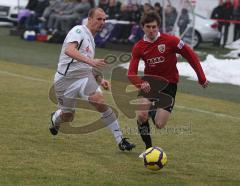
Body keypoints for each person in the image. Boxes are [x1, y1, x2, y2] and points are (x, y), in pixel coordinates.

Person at [49, 7, 135, 151]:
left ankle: (121, 140)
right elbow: (69, 50)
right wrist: (91, 62)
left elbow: (86, 65)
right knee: (68, 116)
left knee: (100, 102)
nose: (102, 22)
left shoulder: (92, 40)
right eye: (99, 19)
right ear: (89, 19)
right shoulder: (78, 31)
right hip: (65, 81)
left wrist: (100, 80)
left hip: (84, 78)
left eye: (104, 19)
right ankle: (56, 117)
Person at [127, 11, 209, 153]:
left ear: (158, 26)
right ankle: (149, 149)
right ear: (143, 27)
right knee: (141, 115)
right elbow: (131, 73)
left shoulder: (171, 41)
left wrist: (201, 78)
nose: (151, 30)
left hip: (169, 86)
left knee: (159, 124)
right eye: (148, 27)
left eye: (154, 27)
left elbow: (191, 55)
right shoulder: (139, 47)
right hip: (150, 84)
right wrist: (140, 83)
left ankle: (152, 111)